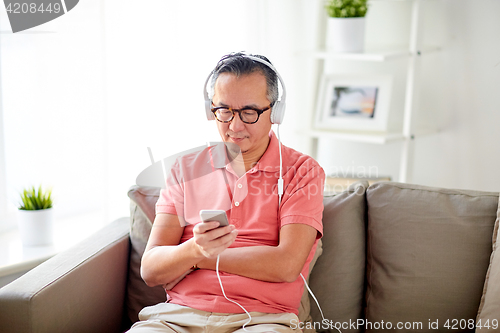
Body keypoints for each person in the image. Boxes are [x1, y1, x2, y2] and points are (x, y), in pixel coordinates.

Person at [128, 52, 325, 333]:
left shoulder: (302, 171)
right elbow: (151, 269)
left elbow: (286, 265)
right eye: (224, 111)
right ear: (211, 110)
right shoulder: (184, 169)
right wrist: (195, 248)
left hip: (262, 320)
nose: (234, 126)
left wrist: (198, 258)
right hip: (177, 318)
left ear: (276, 113)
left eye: (249, 112)